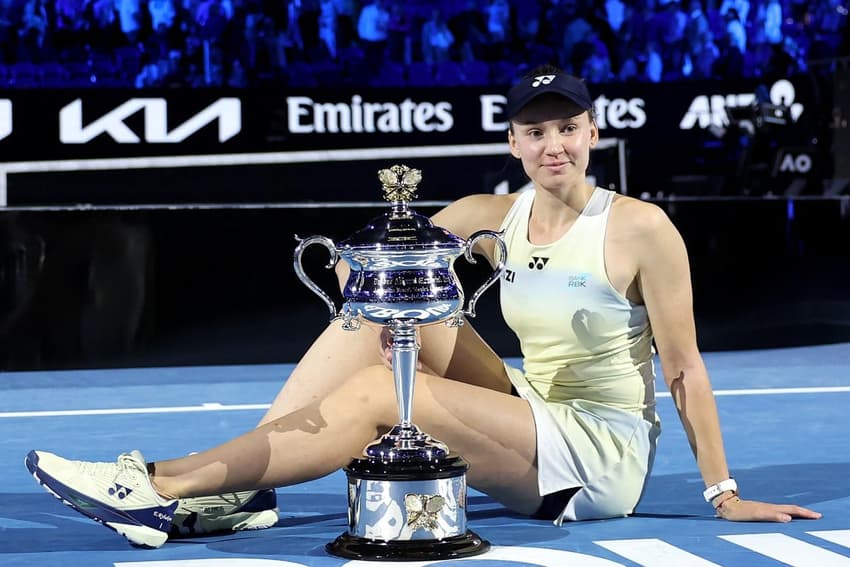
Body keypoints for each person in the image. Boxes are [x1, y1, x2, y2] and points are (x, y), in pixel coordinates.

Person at [25, 64, 821, 549]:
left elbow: (682, 368)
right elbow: (386, 264)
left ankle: (160, 486)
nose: (554, 146)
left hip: (597, 458)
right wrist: (354, 272)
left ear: (593, 131)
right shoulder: (488, 212)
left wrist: (724, 493)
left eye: (569, 129)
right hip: (531, 406)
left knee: (379, 392)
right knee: (383, 313)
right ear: (512, 141)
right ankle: (237, 489)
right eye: (536, 132)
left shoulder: (642, 228)